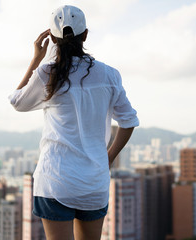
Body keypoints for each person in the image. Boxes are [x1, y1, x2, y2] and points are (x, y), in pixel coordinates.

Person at [8, 5, 139, 240]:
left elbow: (18, 102)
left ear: (53, 39)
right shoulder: (109, 75)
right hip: (93, 182)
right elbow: (128, 121)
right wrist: (108, 158)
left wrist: (36, 59)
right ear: (85, 35)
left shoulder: (47, 73)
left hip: (55, 181)